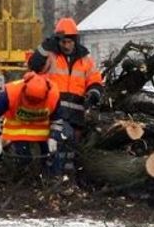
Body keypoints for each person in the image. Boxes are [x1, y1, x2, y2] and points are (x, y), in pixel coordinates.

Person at [33, 17, 105, 174]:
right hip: (54, 110)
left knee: (71, 147)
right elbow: (34, 64)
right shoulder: (50, 56)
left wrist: (93, 92)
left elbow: (95, 80)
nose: (66, 45)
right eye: (63, 42)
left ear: (75, 40)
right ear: (58, 40)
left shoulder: (85, 60)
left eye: (69, 42)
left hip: (76, 113)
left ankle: (67, 179)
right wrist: (47, 45)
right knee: (56, 144)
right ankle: (54, 177)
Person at [0, 70, 61, 166]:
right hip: (14, 136)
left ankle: (53, 179)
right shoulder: (11, 92)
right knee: (21, 165)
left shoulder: (53, 95)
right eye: (30, 99)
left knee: (53, 162)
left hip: (43, 136)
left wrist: (54, 137)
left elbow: (57, 121)